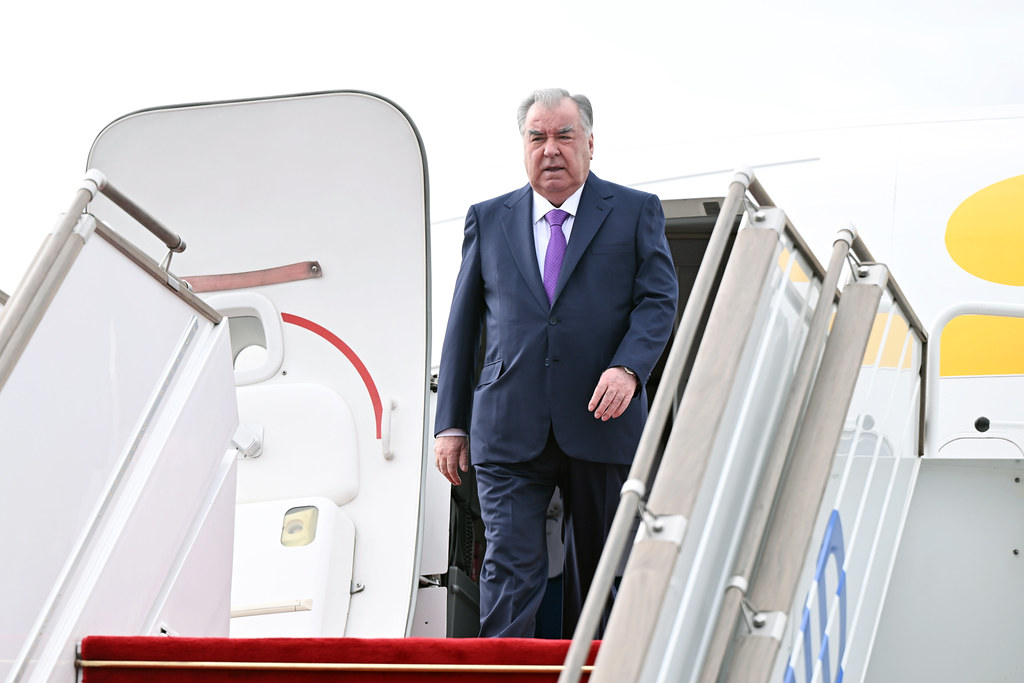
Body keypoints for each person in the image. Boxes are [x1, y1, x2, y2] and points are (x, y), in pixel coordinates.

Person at [434, 88, 678, 638]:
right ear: (523, 146)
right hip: (507, 423)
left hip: (603, 417)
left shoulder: (635, 211)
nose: (550, 149)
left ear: (590, 143)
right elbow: (463, 325)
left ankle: (592, 670)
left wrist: (629, 367)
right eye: (537, 137)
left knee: (599, 573)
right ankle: (503, 676)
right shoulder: (488, 219)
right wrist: (451, 422)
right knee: (507, 569)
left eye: (564, 135)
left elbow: (659, 301)